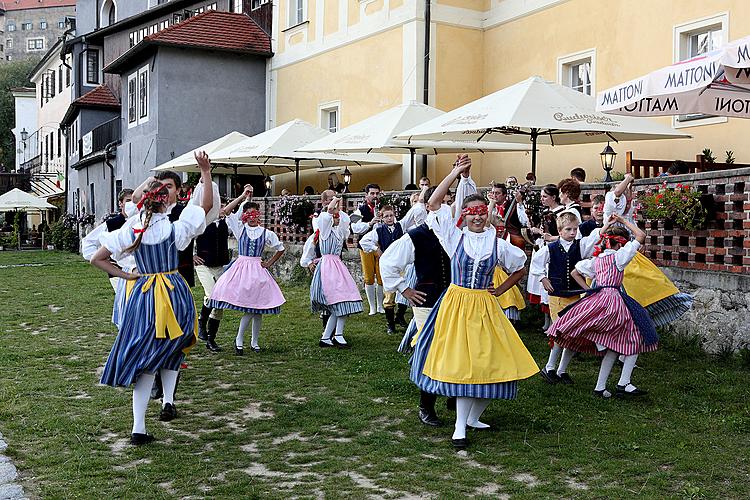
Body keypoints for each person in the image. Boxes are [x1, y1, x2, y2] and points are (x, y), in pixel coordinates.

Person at [411, 157, 538, 450]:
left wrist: (500, 288)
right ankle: (459, 427)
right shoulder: (454, 237)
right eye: (471, 213)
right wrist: (455, 173)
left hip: (484, 306)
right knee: (464, 365)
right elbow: (433, 203)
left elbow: (520, 266)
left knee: (491, 363)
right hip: (456, 305)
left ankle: (470, 418)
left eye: (482, 212)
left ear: (488, 214)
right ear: (464, 215)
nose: (477, 217)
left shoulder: (498, 243)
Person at [90, 151, 213, 446]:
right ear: (166, 200)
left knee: (146, 359)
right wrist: (205, 172)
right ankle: (165, 402)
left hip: (145, 294)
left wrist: (126, 276)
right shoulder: (174, 227)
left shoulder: (132, 228)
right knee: (173, 348)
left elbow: (97, 258)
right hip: (172, 293)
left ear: (144, 200)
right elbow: (205, 206)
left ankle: (139, 427)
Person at [547, 215, 658, 398]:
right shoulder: (620, 257)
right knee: (635, 337)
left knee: (614, 344)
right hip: (614, 301)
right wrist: (623, 221)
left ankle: (604, 386)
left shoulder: (596, 261)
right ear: (619, 244)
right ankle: (622, 383)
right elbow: (641, 235)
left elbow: (576, 272)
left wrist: (590, 290)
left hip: (598, 298)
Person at [380, 185, 452, 427]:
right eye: (443, 200)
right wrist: (405, 289)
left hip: (455, 300)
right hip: (427, 300)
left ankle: (453, 392)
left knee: (455, 345)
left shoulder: (455, 232)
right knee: (432, 348)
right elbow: (388, 261)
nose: (447, 205)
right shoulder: (417, 235)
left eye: (449, 201)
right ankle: (426, 404)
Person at [604, 174, 693, 327]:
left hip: (630, 253)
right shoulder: (611, 208)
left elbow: (634, 230)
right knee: (626, 285)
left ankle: (645, 313)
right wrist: (628, 178)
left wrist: (630, 186)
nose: (628, 202)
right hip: (615, 254)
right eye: (626, 198)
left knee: (649, 281)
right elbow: (617, 193)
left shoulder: (627, 213)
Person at [531, 212, 604, 385]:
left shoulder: (580, 245)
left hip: (575, 295)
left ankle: (562, 369)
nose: (572, 232)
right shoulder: (551, 248)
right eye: (568, 229)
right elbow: (536, 262)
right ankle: (549, 367)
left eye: (575, 229)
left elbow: (596, 237)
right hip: (557, 295)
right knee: (560, 331)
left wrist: (607, 225)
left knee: (573, 333)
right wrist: (543, 278)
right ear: (560, 230)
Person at [208, 194, 286, 355]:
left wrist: (269, 263)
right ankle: (239, 339)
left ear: (259, 215)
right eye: (248, 214)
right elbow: (226, 211)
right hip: (242, 270)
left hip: (258, 270)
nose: (252, 218)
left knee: (258, 308)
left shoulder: (266, 233)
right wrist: (243, 197)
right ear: (244, 215)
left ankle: (254, 341)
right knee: (251, 307)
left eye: (255, 214)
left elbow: (280, 248)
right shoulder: (240, 228)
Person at [301, 196, 363, 348]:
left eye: (337, 215)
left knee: (341, 301)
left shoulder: (338, 232)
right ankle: (337, 335)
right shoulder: (324, 231)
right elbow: (328, 212)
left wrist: (340, 211)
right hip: (328, 267)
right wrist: (335, 199)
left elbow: (344, 224)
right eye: (334, 215)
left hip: (336, 266)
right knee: (338, 301)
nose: (336, 217)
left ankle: (327, 336)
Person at [360, 200, 427, 334]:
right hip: (389, 266)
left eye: (391, 215)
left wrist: (419, 202)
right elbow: (363, 241)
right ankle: (390, 324)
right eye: (386, 216)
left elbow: (410, 215)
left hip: (402, 265)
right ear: (382, 217)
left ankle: (400, 316)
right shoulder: (378, 230)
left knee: (406, 289)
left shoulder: (400, 226)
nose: (389, 218)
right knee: (389, 294)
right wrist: (376, 249)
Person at [81, 188, 135, 327]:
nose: (131, 204)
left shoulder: (142, 220)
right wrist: (106, 259)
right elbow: (89, 242)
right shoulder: (112, 224)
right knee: (127, 303)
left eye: (134, 201)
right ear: (121, 204)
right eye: (128, 201)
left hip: (139, 270)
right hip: (118, 272)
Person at [194, 194, 233, 353]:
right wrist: (191, 255)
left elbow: (228, 210)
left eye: (224, 206)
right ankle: (202, 322)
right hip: (203, 264)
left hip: (219, 265)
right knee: (212, 295)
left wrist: (244, 197)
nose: (222, 209)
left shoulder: (226, 222)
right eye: (219, 206)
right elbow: (187, 238)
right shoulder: (201, 223)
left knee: (220, 301)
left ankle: (211, 338)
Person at [527, 184, 566, 331]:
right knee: (542, 286)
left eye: (545, 196)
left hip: (553, 249)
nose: (542, 199)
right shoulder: (545, 212)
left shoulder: (561, 213)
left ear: (553, 197)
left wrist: (543, 234)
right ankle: (546, 321)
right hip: (543, 247)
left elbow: (559, 233)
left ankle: (553, 322)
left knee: (550, 284)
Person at [351, 183, 384, 315]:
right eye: (372, 193)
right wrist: (370, 223)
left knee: (381, 276)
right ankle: (372, 307)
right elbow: (354, 227)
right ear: (366, 195)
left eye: (377, 193)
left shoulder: (383, 209)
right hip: (366, 247)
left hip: (381, 245)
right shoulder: (360, 210)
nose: (375, 196)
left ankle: (380, 305)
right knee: (369, 276)